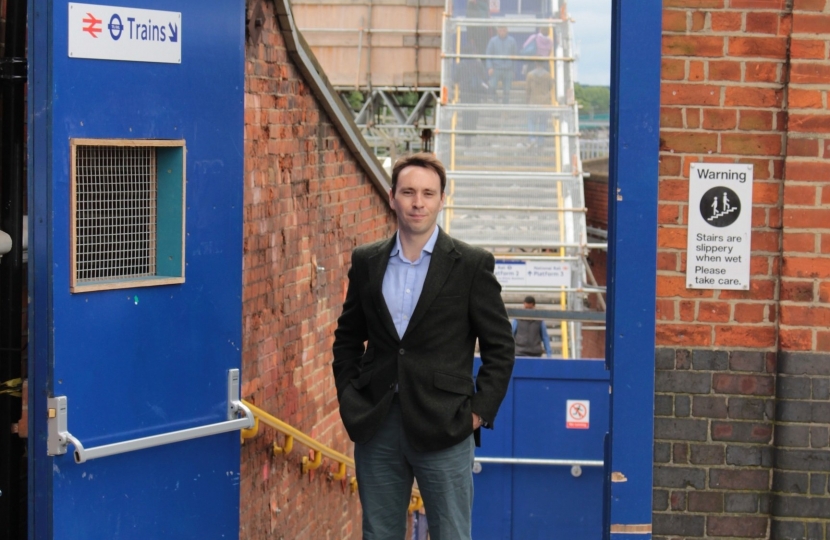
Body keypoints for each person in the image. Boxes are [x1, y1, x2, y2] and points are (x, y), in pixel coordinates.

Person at [332, 153, 515, 540]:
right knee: (378, 533)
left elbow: (500, 347)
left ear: (442, 199)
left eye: (428, 193)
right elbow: (347, 338)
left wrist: (477, 414)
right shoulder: (367, 261)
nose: (418, 202)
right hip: (377, 421)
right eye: (409, 192)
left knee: (451, 534)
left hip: (445, 424)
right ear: (392, 196)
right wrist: (350, 397)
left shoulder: (471, 264)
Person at [485, 26, 518, 104]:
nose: (502, 32)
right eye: (500, 30)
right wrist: (490, 67)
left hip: (508, 69)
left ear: (507, 30)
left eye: (504, 30)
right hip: (496, 69)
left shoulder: (512, 41)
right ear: (497, 31)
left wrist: (514, 70)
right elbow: (488, 55)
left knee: (507, 91)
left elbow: (515, 56)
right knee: (492, 87)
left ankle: (505, 109)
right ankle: (496, 101)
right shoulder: (493, 41)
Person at [525, 64, 553, 147]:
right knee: (543, 123)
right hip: (545, 103)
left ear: (535, 63)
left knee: (531, 121)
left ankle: (532, 139)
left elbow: (527, 89)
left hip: (533, 102)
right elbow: (550, 86)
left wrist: (527, 101)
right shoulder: (548, 75)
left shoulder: (530, 75)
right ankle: (540, 141)